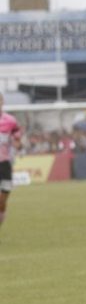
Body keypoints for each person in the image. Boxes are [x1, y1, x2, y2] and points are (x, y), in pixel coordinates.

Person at [0, 93, 23, 232]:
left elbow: (17, 136)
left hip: (4, 164)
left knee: (3, 201)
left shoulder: (10, 121)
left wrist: (18, 143)